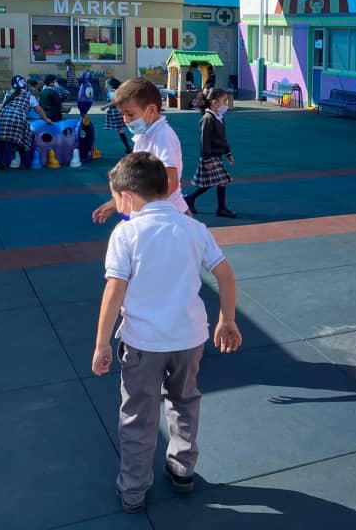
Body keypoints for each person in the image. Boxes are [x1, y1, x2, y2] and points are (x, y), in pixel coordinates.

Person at [91, 152, 242, 514]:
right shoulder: (194, 229)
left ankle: (133, 489)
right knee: (185, 401)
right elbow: (224, 274)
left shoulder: (126, 233)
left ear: (126, 197)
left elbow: (114, 290)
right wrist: (227, 319)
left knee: (139, 414)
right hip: (189, 339)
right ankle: (182, 469)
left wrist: (101, 343)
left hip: (143, 344)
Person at [92, 78, 189, 223]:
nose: (125, 120)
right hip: (157, 213)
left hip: (170, 215)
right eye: (122, 114)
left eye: (130, 114)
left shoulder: (163, 136)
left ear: (151, 110)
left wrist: (142, 209)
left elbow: (171, 182)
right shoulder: (144, 135)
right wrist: (115, 203)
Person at [184, 87, 237, 218]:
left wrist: (228, 153)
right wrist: (206, 159)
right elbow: (205, 140)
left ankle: (190, 199)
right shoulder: (208, 118)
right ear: (214, 102)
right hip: (210, 156)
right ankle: (221, 208)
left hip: (217, 155)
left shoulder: (219, 117)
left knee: (212, 182)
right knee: (222, 181)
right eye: (224, 101)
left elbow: (222, 138)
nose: (226, 104)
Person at [0, 75, 53, 169]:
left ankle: (0, 161)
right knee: (24, 139)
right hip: (19, 118)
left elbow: (3, 107)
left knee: (1, 140)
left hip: (4, 117)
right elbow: (39, 110)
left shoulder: (8, 94)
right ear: (24, 85)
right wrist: (46, 119)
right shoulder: (29, 96)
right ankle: (23, 163)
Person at [100, 77, 133, 155]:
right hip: (119, 110)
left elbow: (114, 101)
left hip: (115, 111)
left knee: (120, 129)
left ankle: (128, 147)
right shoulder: (116, 91)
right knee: (125, 127)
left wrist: (104, 107)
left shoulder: (111, 92)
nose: (105, 86)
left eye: (106, 85)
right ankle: (128, 147)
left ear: (111, 86)